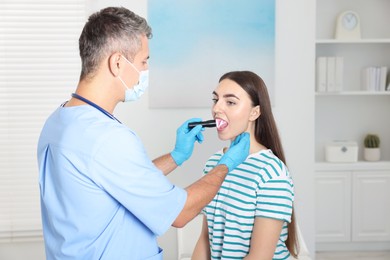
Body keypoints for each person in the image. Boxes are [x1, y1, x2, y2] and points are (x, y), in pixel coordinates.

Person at [37, 7, 250, 260]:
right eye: (143, 61)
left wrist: (176, 156)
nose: (146, 69)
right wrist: (226, 165)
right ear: (117, 63)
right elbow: (180, 214)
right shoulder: (108, 138)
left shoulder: (60, 120)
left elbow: (118, 179)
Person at [192, 71, 299, 259]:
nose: (217, 108)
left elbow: (260, 257)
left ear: (254, 112)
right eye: (215, 100)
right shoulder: (213, 165)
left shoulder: (272, 173)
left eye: (230, 102)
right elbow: (205, 239)